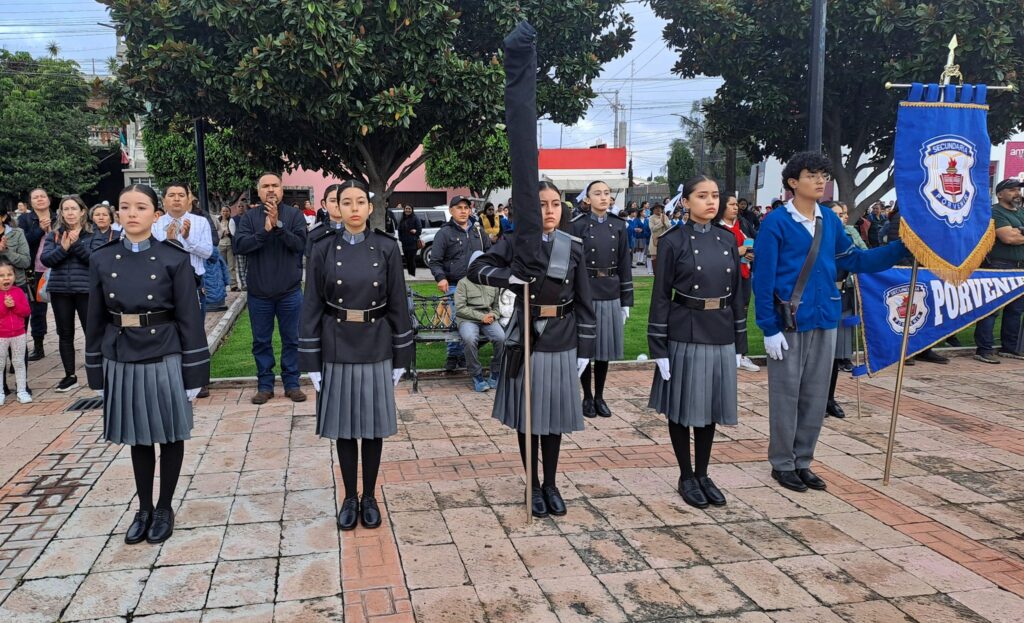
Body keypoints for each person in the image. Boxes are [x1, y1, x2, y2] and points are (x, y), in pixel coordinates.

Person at [753, 152, 907, 493]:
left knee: (815, 394)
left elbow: (854, 260)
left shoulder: (829, 220)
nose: (820, 181)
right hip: (790, 322)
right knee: (786, 395)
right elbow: (762, 279)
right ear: (794, 183)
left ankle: (803, 460)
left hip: (825, 318)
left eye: (823, 175)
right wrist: (769, 327)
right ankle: (782, 463)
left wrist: (900, 248)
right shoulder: (777, 223)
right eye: (812, 176)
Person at [86, 183, 210, 545]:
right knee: (139, 436)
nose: (132, 213)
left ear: (156, 215)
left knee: (169, 433)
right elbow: (94, 319)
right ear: (117, 214)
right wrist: (96, 369)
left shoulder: (174, 257)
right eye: (125, 207)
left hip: (164, 352)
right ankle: (143, 507)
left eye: (141, 207)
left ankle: (165, 506)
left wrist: (194, 374)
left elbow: (190, 318)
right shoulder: (102, 258)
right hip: (122, 354)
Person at [469, 181, 595, 518]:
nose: (550, 211)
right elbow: (476, 268)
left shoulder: (573, 246)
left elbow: (584, 301)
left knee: (554, 418)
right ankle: (533, 483)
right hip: (527, 337)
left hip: (563, 337)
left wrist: (586, 346)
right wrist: (510, 278)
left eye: (555, 204)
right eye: (541, 204)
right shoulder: (514, 242)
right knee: (530, 417)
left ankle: (551, 483)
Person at [299, 180, 412, 531]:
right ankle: (350, 496)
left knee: (373, 427)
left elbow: (397, 303)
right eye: (345, 202)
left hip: (376, 343)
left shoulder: (387, 247)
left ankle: (370, 497)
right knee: (346, 430)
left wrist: (401, 356)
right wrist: (311, 361)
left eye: (359, 201)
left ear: (369, 205)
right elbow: (312, 306)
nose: (353, 208)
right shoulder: (321, 248)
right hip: (337, 345)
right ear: (335, 207)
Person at [649, 176, 742, 508]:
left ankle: (703, 473)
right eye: (702, 196)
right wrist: (658, 346)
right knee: (683, 407)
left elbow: (738, 295)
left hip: (720, 330)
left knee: (711, 408)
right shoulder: (673, 241)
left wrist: (739, 342)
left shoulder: (727, 239)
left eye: (715, 195)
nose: (710, 202)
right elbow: (661, 297)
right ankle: (685, 475)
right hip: (686, 330)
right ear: (686, 202)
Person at [234, 173, 308, 404]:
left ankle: (292, 383)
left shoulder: (295, 215)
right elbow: (240, 246)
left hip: (289, 292)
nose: (271, 189)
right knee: (261, 341)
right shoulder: (249, 217)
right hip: (259, 294)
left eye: (275, 185)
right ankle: (265, 385)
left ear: (282, 190)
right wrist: (264, 231)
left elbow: (299, 245)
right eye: (265, 186)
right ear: (258, 191)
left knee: (292, 339)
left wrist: (278, 227)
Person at [570, 181, 633, 418]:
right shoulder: (577, 226)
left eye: (607, 193)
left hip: (610, 292)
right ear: (587, 199)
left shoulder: (619, 225)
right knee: (587, 348)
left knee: (605, 349)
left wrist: (626, 300)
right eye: (597, 193)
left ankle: (600, 396)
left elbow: (625, 265)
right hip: (586, 291)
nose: (603, 197)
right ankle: (586, 396)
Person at [427, 195, 490, 371]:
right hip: (455, 285)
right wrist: (441, 277)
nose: (463, 211)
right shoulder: (444, 233)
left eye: (466, 208)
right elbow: (435, 261)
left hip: (478, 287)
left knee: (474, 323)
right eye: (459, 208)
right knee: (456, 322)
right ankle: (453, 356)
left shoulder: (478, 231)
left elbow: (490, 254)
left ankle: (464, 356)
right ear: (451, 210)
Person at [41, 195, 94, 392]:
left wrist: (76, 245)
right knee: (65, 334)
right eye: (66, 209)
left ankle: (96, 373)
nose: (70, 213)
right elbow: (46, 260)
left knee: (92, 332)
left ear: (82, 211)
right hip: (60, 290)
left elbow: (94, 260)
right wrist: (63, 248)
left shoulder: (92, 234)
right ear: (61, 213)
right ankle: (69, 375)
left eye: (74, 209)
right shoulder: (54, 235)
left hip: (86, 290)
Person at [974, 179, 1024, 364]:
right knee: (992, 308)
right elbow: (1008, 237)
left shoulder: (1021, 211)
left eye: (1018, 189)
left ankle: (1009, 348)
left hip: (1020, 265)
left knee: (1016, 309)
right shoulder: (995, 211)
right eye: (1012, 190)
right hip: (999, 264)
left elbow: (1016, 235)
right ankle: (984, 349)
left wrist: (1020, 231)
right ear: (1000, 194)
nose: (1017, 193)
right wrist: (1017, 232)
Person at [153, 183, 214, 313]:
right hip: (162, 283)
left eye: (181, 195)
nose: (176, 199)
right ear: (163, 200)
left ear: (188, 199)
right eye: (171, 195)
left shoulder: (200, 221)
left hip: (193, 282)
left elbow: (208, 252)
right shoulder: (155, 223)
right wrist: (169, 242)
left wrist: (187, 239)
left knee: (194, 327)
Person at [719, 194, 759, 373]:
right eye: (731, 205)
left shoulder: (743, 225)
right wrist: (737, 251)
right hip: (724, 279)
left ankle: (740, 354)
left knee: (742, 313)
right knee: (724, 314)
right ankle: (724, 352)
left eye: (736, 205)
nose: (735, 208)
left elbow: (753, 242)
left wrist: (750, 253)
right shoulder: (715, 228)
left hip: (744, 275)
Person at [19, 188, 55, 362]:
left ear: (49, 199)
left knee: (63, 306)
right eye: (35, 197)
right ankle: (38, 346)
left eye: (43, 196)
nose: (40, 199)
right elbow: (24, 241)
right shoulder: (25, 219)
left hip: (57, 268)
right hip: (34, 270)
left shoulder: (59, 216)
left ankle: (66, 341)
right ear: (30, 202)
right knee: (36, 309)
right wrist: (40, 229)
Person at [0, 206, 31, 396]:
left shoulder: (17, 234)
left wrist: (6, 251)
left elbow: (25, 261)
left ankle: (22, 385)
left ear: (3, 216)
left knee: (18, 339)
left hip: (15, 290)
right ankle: (1, 386)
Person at [454, 276, 505, 392]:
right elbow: (460, 308)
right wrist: (482, 317)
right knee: (470, 338)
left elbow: (497, 307)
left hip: (488, 319)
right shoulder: (463, 283)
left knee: (501, 338)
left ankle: (495, 373)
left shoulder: (492, 282)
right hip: (467, 319)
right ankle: (477, 376)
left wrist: (493, 315)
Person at [0, 258, 31, 404]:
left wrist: (14, 306)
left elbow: (26, 311)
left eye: (9, 274)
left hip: (19, 334)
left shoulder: (18, 292)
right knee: (0, 364)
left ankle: (22, 390)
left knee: (19, 363)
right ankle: (0, 392)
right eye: (1, 275)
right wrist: (5, 307)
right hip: (1, 336)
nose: (6, 278)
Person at [397, 204, 423, 277]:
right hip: (404, 243)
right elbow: (399, 229)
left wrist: (416, 231)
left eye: (409, 209)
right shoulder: (402, 218)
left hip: (413, 243)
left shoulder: (415, 218)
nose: (407, 210)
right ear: (404, 209)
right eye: (406, 208)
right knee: (407, 260)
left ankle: (412, 275)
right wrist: (400, 238)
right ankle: (409, 274)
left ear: (412, 210)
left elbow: (419, 230)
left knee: (411, 260)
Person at [203, 248, 231, 312]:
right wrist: (226, 282)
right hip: (221, 301)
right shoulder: (216, 253)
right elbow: (225, 271)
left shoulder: (197, 256)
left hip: (206, 302)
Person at [647, 202, 672, 275]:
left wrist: (665, 223)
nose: (658, 209)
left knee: (664, 255)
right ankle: (654, 271)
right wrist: (661, 223)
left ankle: (663, 271)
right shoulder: (651, 218)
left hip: (664, 238)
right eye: (656, 208)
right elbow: (652, 229)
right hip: (655, 239)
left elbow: (669, 227)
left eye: (660, 208)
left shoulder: (665, 217)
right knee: (654, 255)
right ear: (653, 210)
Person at [217, 206, 236, 291]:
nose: (225, 213)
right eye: (223, 211)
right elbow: (216, 234)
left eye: (227, 211)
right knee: (221, 266)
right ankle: (222, 285)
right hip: (220, 245)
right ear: (221, 212)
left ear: (229, 212)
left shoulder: (231, 221)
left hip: (230, 245)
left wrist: (228, 234)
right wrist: (222, 234)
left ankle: (233, 285)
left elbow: (234, 233)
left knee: (231, 267)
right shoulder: (218, 221)